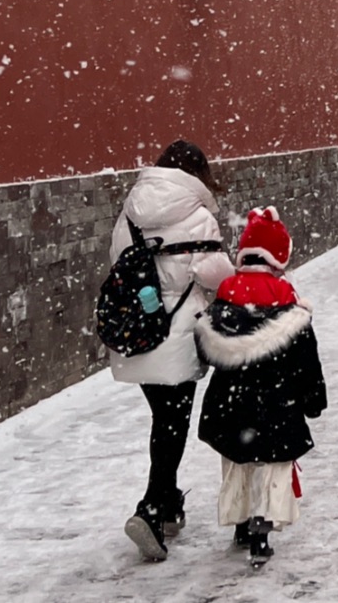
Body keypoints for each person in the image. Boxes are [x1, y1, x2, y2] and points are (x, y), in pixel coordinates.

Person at [111, 140, 236, 562]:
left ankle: (168, 505)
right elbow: (216, 277)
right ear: (198, 173)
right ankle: (150, 508)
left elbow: (119, 263)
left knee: (163, 418)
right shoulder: (198, 216)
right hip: (178, 334)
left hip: (138, 333)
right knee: (172, 423)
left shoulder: (130, 212)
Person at [196, 207, 327, 568]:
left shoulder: (225, 295)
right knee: (272, 467)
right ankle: (261, 531)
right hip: (277, 402)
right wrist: (313, 399)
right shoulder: (288, 300)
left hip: (230, 402)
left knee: (238, 462)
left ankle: (239, 520)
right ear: (279, 257)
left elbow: (206, 349)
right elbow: (305, 359)